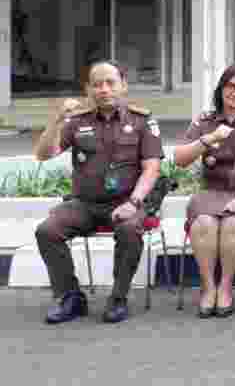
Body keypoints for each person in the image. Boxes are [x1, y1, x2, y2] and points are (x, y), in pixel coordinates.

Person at [34, 60, 163, 324]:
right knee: (47, 231)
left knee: (129, 229)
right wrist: (57, 121)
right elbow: (43, 154)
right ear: (88, 89)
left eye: (110, 83)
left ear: (123, 85)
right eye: (97, 84)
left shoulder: (142, 120)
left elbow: (151, 169)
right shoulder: (76, 121)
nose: (104, 89)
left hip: (127, 201)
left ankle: (118, 297)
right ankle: (70, 297)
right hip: (85, 204)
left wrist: (134, 202)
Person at [173, 63, 235, 318]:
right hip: (212, 191)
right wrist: (210, 139)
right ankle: (208, 288)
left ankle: (225, 287)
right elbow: (180, 159)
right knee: (204, 222)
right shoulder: (205, 121)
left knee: (232, 223)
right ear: (221, 89)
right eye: (230, 86)